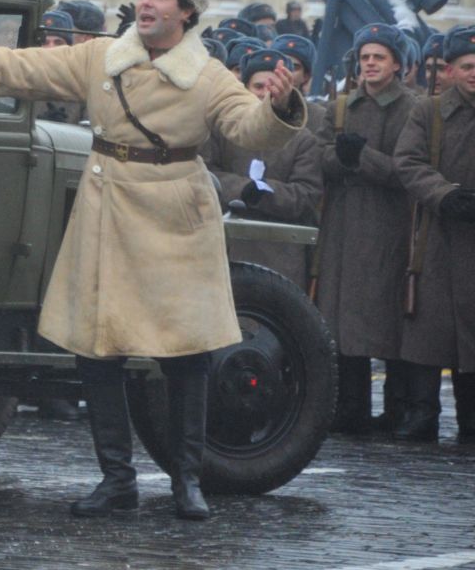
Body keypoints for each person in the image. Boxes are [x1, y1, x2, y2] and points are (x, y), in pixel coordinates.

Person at [0, 0, 303, 521]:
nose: (146, 4)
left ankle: (188, 480)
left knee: (187, 352)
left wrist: (281, 107)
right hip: (110, 205)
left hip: (178, 210)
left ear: (185, 13)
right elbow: (28, 67)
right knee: (99, 349)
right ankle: (117, 479)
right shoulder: (102, 57)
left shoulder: (210, 75)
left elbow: (247, 127)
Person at [308, 23, 428, 435]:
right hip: (342, 225)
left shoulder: (413, 108)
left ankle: (397, 409)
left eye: (379, 57)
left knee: (389, 320)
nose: (370, 65)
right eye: (364, 58)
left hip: (389, 224)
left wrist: (363, 158)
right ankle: (350, 408)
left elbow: (409, 169)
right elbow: (319, 157)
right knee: (342, 322)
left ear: (397, 64)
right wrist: (340, 158)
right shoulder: (342, 107)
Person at [391, 25, 475, 442]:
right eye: (466, 65)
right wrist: (443, 195)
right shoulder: (428, 112)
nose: (474, 72)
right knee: (428, 331)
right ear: (451, 70)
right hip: (437, 237)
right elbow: (407, 162)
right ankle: (422, 411)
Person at [202, 49, 323, 289]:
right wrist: (241, 188)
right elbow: (204, 173)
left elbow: (307, 194)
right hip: (226, 250)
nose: (266, 94)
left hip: (280, 256)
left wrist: (266, 193)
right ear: (244, 88)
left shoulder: (303, 140)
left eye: (273, 87)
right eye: (258, 86)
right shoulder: (222, 131)